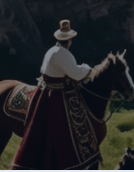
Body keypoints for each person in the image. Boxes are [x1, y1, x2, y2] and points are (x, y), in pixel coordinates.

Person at [11, 20, 99, 169]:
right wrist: (88, 69)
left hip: (44, 91)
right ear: (69, 40)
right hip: (56, 95)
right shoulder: (64, 54)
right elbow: (76, 74)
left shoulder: (51, 50)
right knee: (62, 127)